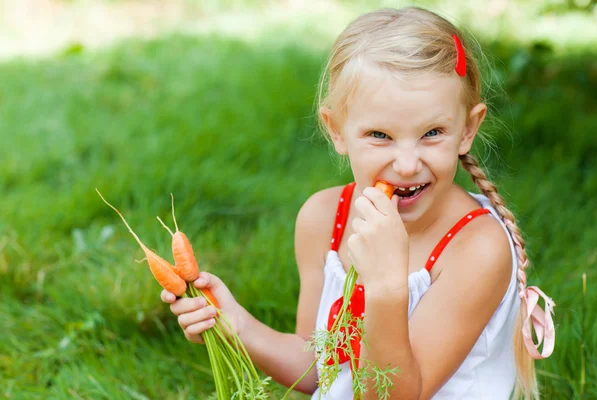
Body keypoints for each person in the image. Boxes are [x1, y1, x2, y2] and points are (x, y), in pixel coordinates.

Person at [160, 6, 555, 399]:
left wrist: (384, 285)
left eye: (432, 132)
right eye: (380, 135)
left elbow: (398, 394)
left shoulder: (476, 249)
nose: (406, 164)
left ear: (468, 129)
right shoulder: (322, 219)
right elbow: (318, 369)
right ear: (337, 130)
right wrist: (237, 324)